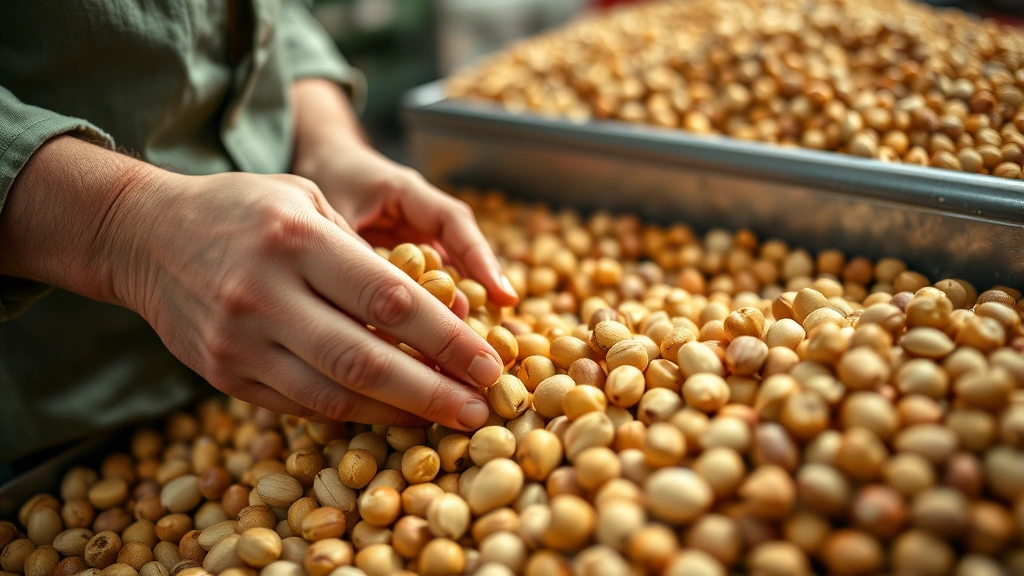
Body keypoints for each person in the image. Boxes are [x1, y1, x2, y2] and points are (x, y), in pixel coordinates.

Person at [0, 1, 517, 465]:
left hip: (280, 347)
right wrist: (120, 223)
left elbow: (273, 16)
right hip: (57, 414)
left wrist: (326, 145)